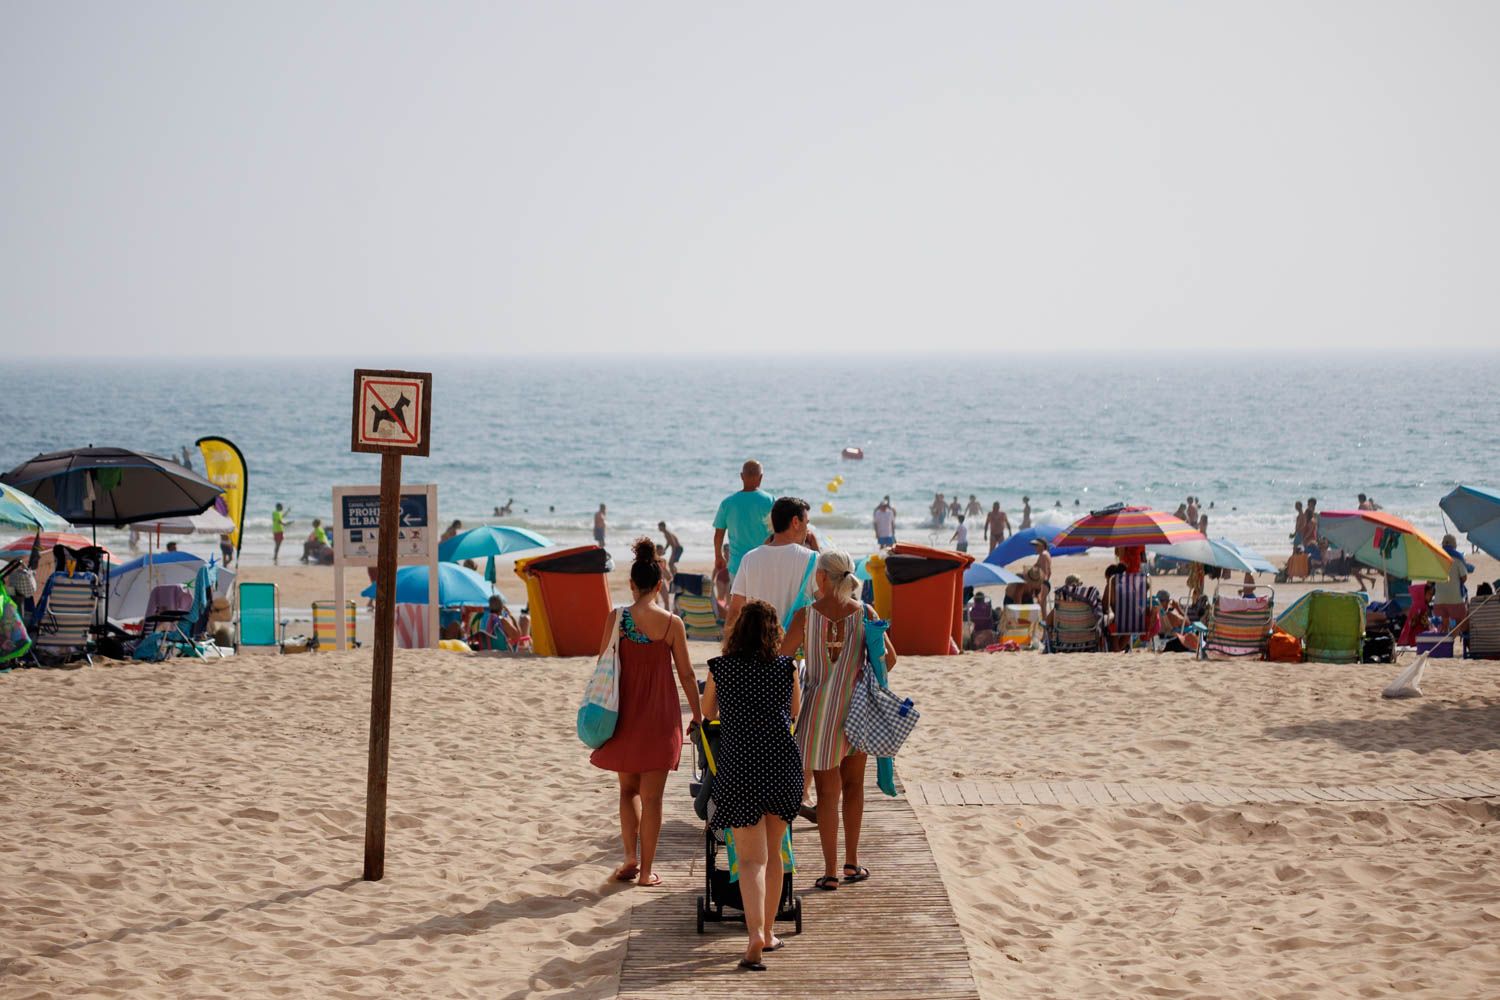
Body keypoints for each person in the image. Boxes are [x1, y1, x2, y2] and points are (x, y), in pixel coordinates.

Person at [780, 550, 896, 893]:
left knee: (827, 794)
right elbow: (889, 658)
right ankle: (851, 863)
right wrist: (860, 675)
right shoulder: (865, 613)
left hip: (819, 714)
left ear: (821, 577)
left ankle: (829, 872)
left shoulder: (805, 616)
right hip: (857, 709)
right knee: (854, 786)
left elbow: (782, 660)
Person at [590, 538, 703, 889]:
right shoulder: (672, 624)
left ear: (632, 584)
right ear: (658, 585)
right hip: (660, 717)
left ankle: (630, 856)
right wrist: (697, 714)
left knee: (628, 790)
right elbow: (687, 675)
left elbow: (602, 662)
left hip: (623, 714)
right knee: (653, 798)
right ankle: (645, 872)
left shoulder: (616, 618)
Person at [701, 599, 803, 971]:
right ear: (773, 633)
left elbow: (707, 712)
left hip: (740, 768)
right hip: (780, 765)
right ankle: (769, 932)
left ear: (738, 632)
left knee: (750, 860)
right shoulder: (786, 667)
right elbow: (794, 712)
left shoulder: (720, 668)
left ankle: (755, 934)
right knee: (774, 855)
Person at [726, 497, 816, 631]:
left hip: (759, 640)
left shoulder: (749, 558)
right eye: (806, 523)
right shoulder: (812, 559)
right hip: (794, 642)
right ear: (796, 522)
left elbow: (735, 610)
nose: (807, 529)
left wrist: (728, 642)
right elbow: (825, 604)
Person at [713, 461, 775, 585]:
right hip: (764, 562)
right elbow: (779, 531)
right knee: (763, 597)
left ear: (741, 476)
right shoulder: (770, 500)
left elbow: (718, 534)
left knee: (739, 597)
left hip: (737, 565)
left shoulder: (727, 503)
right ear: (761, 477)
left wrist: (718, 556)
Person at [1432, 534, 1470, 630]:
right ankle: (1455, 635)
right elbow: (1464, 577)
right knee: (1460, 621)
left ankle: (1445, 636)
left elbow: (1432, 577)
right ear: (1454, 544)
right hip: (1455, 597)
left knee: (1445, 622)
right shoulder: (1458, 557)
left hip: (1439, 598)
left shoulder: (1436, 556)